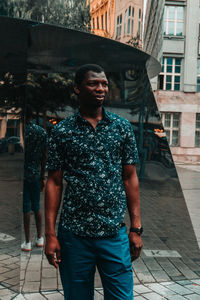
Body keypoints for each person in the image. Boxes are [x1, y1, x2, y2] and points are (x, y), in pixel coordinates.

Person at [45, 64, 143, 299]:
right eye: (93, 83)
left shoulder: (122, 127)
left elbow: (130, 178)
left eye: (104, 84)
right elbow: (54, 183)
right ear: (78, 88)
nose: (101, 88)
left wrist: (136, 228)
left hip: (113, 234)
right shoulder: (62, 132)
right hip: (74, 237)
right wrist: (50, 235)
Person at [21, 105, 47, 251]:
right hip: (36, 174)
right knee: (36, 206)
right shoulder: (41, 132)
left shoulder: (22, 133)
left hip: (23, 175)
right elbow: (44, 156)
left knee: (25, 207)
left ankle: (27, 242)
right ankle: (40, 238)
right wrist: (42, 176)